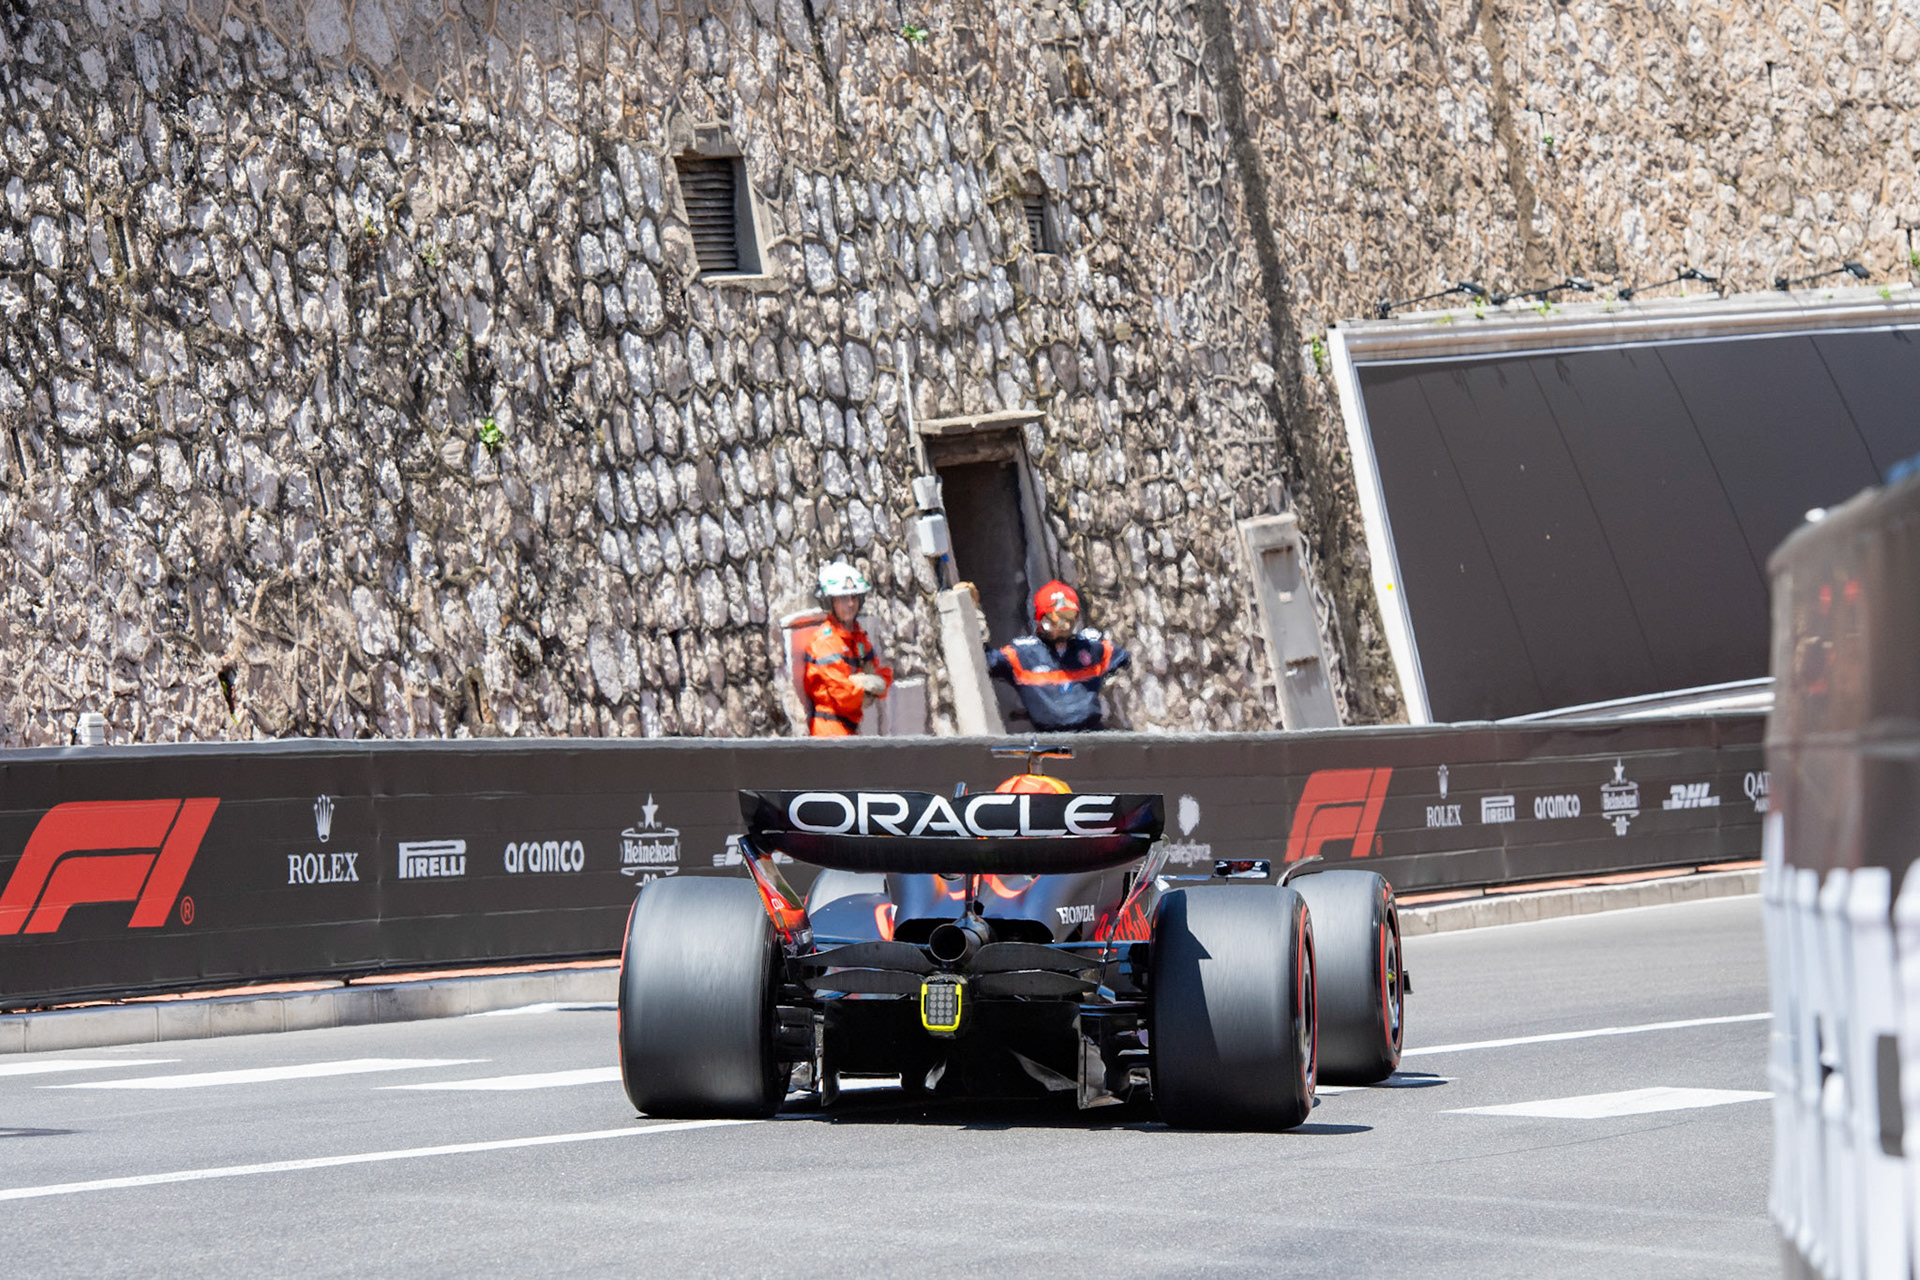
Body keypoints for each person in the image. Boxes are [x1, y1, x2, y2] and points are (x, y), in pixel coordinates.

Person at [986, 580, 1130, 731]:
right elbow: (987, 661)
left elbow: (1121, 659)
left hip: (1092, 734)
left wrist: (1096, 686)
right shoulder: (1023, 654)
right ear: (1041, 618)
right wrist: (974, 613)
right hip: (1051, 739)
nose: (1062, 626)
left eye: (1068, 618)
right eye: (1055, 619)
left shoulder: (1090, 647)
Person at [804, 561, 894, 737]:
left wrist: (865, 682)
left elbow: (882, 676)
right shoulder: (825, 642)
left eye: (854, 597)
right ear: (831, 602)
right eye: (843, 598)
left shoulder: (857, 635)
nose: (851, 604)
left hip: (850, 729)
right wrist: (868, 685)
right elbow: (844, 696)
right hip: (830, 732)